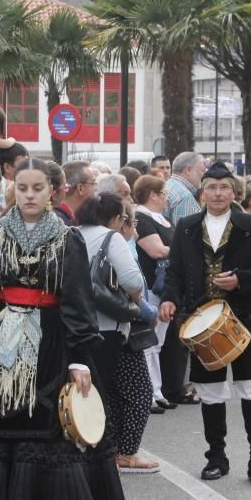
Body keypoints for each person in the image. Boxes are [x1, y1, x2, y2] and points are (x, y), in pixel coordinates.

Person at [0, 157, 129, 500]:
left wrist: (80, 359)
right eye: (23, 188)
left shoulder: (68, 239)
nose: (29, 195)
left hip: (50, 343)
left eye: (38, 188)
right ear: (12, 189)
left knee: (43, 430)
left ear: (53, 191)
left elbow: (78, 301)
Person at [158, 162, 251, 484]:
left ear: (233, 192)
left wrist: (240, 279)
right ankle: (216, 456)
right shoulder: (185, 227)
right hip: (201, 322)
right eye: (211, 187)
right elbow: (175, 273)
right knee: (210, 393)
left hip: (241, 318)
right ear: (202, 192)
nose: (218, 193)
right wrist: (169, 298)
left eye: (224, 187)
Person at [78, 194, 158, 472]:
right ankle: (125, 453)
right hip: (110, 326)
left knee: (102, 392)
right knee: (138, 391)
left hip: (78, 325)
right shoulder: (111, 239)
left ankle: (101, 449)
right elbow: (132, 280)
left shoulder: (71, 234)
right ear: (116, 219)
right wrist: (142, 308)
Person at [133, 175, 176, 413]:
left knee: (158, 341)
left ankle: (156, 390)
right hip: (150, 285)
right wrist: (181, 249)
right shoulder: (141, 217)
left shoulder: (159, 218)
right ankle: (149, 393)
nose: (166, 198)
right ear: (152, 195)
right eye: (163, 194)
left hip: (163, 285)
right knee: (150, 341)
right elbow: (157, 250)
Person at [165, 152, 205, 225]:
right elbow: (187, 234)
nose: (203, 175)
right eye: (201, 170)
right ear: (188, 170)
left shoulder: (166, 186)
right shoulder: (185, 197)